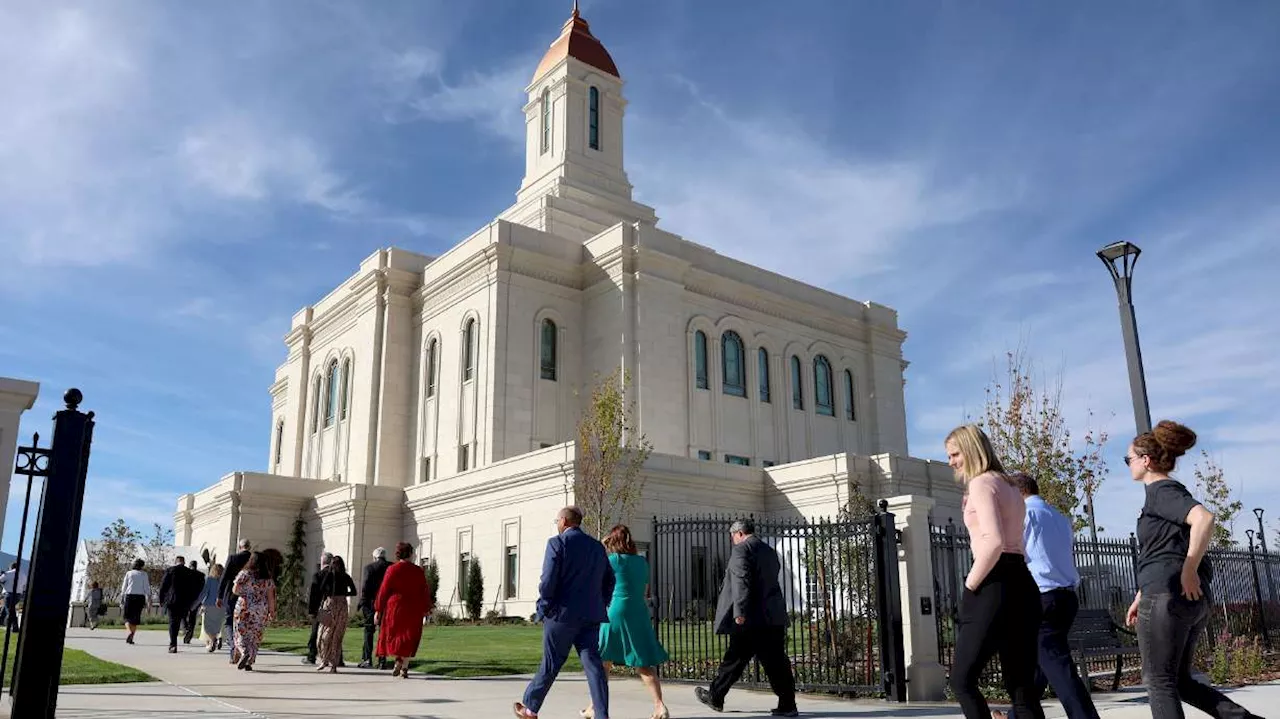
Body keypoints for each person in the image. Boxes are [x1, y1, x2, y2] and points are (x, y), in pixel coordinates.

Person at [1123, 421, 1262, 719]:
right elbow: (1160, 551)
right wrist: (1139, 594)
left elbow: (1204, 519)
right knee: (1180, 682)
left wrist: (1189, 569)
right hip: (1177, 596)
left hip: (1168, 596)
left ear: (1145, 461)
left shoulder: (1162, 490)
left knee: (1159, 683)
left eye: (1129, 459)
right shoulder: (1161, 495)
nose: (1128, 465)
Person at [944, 424, 1044, 719]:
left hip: (994, 582)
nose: (951, 462)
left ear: (972, 449)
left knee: (962, 680)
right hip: (1022, 583)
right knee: (1021, 687)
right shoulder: (1011, 486)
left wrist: (970, 584)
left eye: (955, 454)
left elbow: (994, 541)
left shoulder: (981, 483)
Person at [999, 472, 1099, 719]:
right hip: (1066, 597)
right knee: (1038, 667)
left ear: (1017, 493)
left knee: (1058, 665)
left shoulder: (1024, 515)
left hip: (1041, 597)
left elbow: (1011, 554)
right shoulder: (1059, 517)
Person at [514, 506, 613, 719]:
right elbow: (609, 579)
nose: (557, 524)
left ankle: (530, 709)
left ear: (564, 522)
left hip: (561, 615)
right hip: (590, 616)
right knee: (594, 667)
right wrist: (601, 602)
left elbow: (548, 581)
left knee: (551, 663)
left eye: (557, 521)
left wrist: (544, 607)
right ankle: (602, 715)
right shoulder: (597, 547)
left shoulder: (557, 543)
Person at [694, 518, 798, 717]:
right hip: (772, 615)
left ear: (739, 533)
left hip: (751, 618)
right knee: (775, 661)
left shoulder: (741, 550)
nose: (732, 540)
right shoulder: (768, 550)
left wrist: (739, 612)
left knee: (734, 658)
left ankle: (716, 696)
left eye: (732, 536)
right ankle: (787, 703)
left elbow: (742, 582)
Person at [583, 524, 669, 719]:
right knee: (642, 661)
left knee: (604, 662)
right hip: (638, 612)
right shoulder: (642, 562)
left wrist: (603, 543)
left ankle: (595, 707)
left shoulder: (611, 560)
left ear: (613, 541)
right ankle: (659, 705)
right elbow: (645, 590)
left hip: (614, 611)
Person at [374, 542, 432, 679]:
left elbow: (384, 590)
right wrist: (426, 608)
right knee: (409, 637)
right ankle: (404, 666)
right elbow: (424, 591)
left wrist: (378, 609)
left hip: (396, 607)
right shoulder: (418, 571)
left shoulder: (392, 569)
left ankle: (399, 661)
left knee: (396, 636)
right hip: (413, 607)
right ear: (411, 554)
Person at [231, 551, 276, 671]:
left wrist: (246, 593)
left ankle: (243, 651)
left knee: (240, 632)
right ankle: (249, 661)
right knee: (255, 635)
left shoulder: (245, 574)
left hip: (244, 606)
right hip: (261, 609)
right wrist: (272, 611)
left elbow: (235, 590)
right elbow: (271, 597)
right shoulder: (268, 578)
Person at [316, 555, 358, 672]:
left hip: (335, 605)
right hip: (336, 605)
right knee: (325, 635)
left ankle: (332, 664)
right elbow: (322, 589)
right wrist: (341, 595)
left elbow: (354, 591)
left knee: (335, 636)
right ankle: (325, 660)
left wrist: (339, 594)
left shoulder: (343, 577)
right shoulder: (333, 576)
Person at [159, 555, 203, 653]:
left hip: (172, 600)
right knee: (179, 621)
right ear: (184, 562)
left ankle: (173, 644)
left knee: (172, 622)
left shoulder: (170, 570)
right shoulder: (189, 573)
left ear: (176, 561)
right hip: (184, 601)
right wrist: (192, 602)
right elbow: (192, 589)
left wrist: (161, 599)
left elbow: (163, 586)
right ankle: (185, 630)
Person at [218, 538, 252, 663]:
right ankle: (245, 650)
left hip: (232, 594)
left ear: (240, 547)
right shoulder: (254, 560)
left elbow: (224, 576)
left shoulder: (233, 558)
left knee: (229, 622)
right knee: (245, 625)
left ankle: (234, 649)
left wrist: (219, 595)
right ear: (249, 547)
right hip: (249, 597)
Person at [358, 547, 392, 669]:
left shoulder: (370, 568)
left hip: (371, 604)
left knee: (368, 631)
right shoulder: (391, 567)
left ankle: (367, 659)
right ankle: (382, 660)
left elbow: (365, 586)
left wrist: (362, 601)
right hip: (387, 604)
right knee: (383, 632)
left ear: (374, 557)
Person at [304, 552, 334, 665]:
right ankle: (337, 657)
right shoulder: (336, 575)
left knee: (316, 631)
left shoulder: (318, 575)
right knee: (335, 632)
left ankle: (312, 655)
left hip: (320, 607)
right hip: (335, 607)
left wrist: (311, 610)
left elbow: (313, 594)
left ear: (322, 562)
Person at [198, 564, 227, 653]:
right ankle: (214, 640)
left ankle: (213, 639)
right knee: (217, 626)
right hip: (221, 606)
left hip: (209, 605)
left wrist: (197, 603)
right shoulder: (225, 581)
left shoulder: (209, 579)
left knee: (207, 626)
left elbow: (204, 593)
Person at [120, 558, 150, 645]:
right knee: (135, 619)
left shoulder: (129, 573)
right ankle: (131, 637)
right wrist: (149, 601)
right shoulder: (144, 574)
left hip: (130, 596)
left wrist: (122, 597)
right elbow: (147, 588)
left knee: (126, 618)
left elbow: (124, 587)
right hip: (140, 597)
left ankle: (129, 632)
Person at [182, 559, 204, 644]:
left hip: (186, 598)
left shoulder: (185, 574)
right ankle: (190, 632)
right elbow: (202, 588)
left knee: (183, 615)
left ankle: (186, 628)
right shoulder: (201, 575)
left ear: (190, 565)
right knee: (192, 616)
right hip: (196, 598)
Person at [1, 562, 24, 631]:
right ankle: (1, 620)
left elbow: (1, 580)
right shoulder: (23, 574)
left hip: (9, 594)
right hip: (18, 595)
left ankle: (15, 626)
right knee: (7, 607)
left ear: (11, 567)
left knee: (10, 610)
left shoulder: (8, 573)